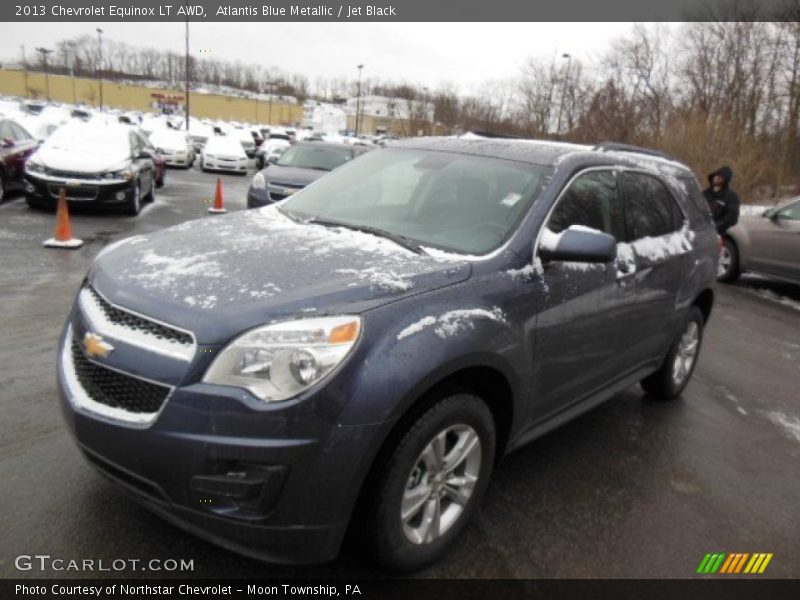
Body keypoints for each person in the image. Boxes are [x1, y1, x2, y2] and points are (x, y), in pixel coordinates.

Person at [702, 166, 740, 235]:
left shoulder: (731, 196)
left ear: (726, 180)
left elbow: (732, 217)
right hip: (699, 231)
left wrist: (717, 225)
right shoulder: (705, 193)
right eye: (716, 175)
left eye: (720, 177)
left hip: (717, 234)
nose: (717, 178)